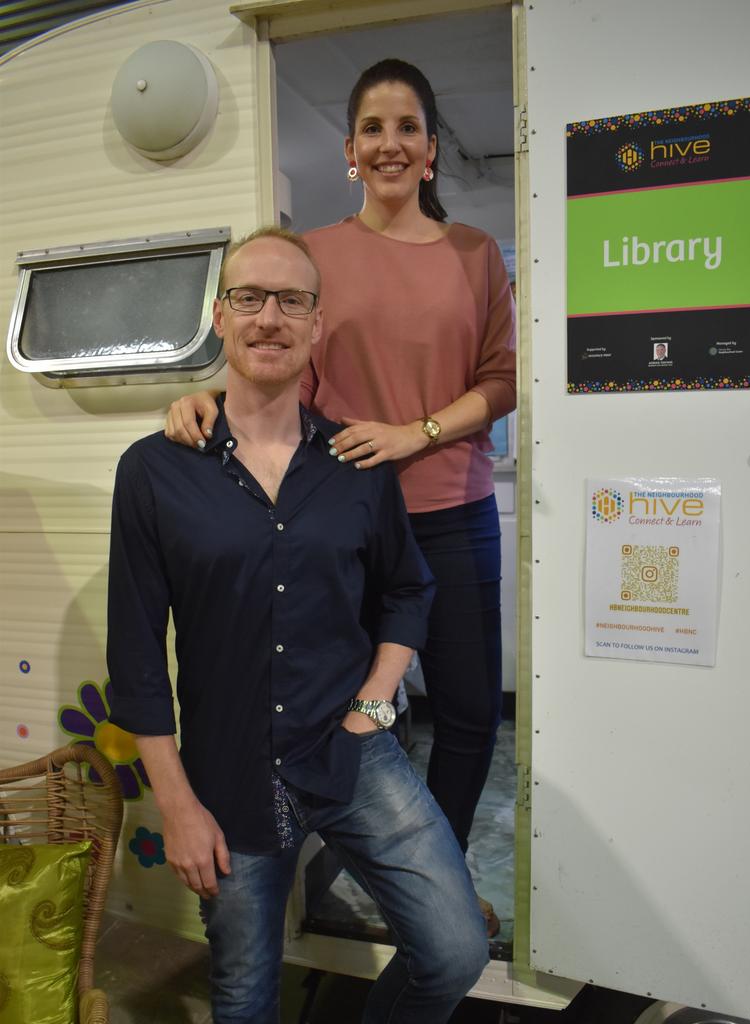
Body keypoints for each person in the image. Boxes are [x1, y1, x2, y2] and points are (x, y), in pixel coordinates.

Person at [165, 58, 517, 936]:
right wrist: (204, 397)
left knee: (470, 713)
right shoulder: (316, 254)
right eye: (372, 128)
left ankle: (442, 872)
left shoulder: (477, 255)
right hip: (343, 520)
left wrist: (416, 433)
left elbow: (503, 381)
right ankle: (378, 871)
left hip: (453, 508)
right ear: (351, 150)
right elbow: (274, 361)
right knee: (361, 706)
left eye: (408, 128)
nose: (390, 143)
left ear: (433, 150)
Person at [107, 228, 488, 1024]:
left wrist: (374, 704)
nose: (269, 317)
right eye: (249, 297)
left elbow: (407, 593)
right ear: (221, 316)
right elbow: (136, 654)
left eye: (291, 300)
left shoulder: (355, 463)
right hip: (225, 769)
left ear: (317, 324)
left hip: (351, 750)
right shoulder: (155, 469)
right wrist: (175, 804)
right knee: (245, 997)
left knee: (456, 952)